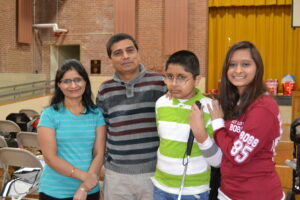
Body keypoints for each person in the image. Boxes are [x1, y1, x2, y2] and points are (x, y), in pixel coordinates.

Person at [189, 41, 284, 200]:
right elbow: (221, 159)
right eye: (232, 65)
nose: (238, 70)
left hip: (259, 194)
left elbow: (237, 155)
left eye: (245, 64)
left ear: (257, 68)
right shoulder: (232, 102)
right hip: (227, 192)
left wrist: (218, 125)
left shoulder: (264, 106)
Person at [96, 33, 167, 200]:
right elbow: (102, 131)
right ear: (110, 59)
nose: (125, 56)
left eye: (130, 50)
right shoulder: (105, 90)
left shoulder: (160, 84)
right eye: (118, 53)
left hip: (154, 173)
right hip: (116, 176)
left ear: (138, 53)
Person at [152, 50, 222, 200]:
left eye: (182, 77)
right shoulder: (161, 103)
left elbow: (217, 161)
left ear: (197, 80)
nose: (174, 83)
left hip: (193, 190)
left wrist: (200, 133)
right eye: (169, 77)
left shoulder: (210, 108)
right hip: (160, 186)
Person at [37, 59, 106, 200]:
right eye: (66, 81)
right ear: (59, 85)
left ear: (85, 82)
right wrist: (85, 177)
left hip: (89, 190)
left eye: (77, 79)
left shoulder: (96, 113)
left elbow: (99, 153)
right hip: (55, 191)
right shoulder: (49, 115)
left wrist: (85, 186)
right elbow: (50, 157)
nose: (73, 85)